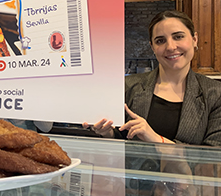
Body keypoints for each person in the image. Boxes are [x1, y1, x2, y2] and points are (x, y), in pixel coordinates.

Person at [85, 10, 221, 146]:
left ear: (194, 39)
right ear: (153, 47)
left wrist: (156, 139)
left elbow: (213, 159)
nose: (171, 47)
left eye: (178, 37)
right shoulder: (128, 86)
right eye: (160, 41)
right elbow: (120, 142)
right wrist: (107, 132)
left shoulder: (215, 94)